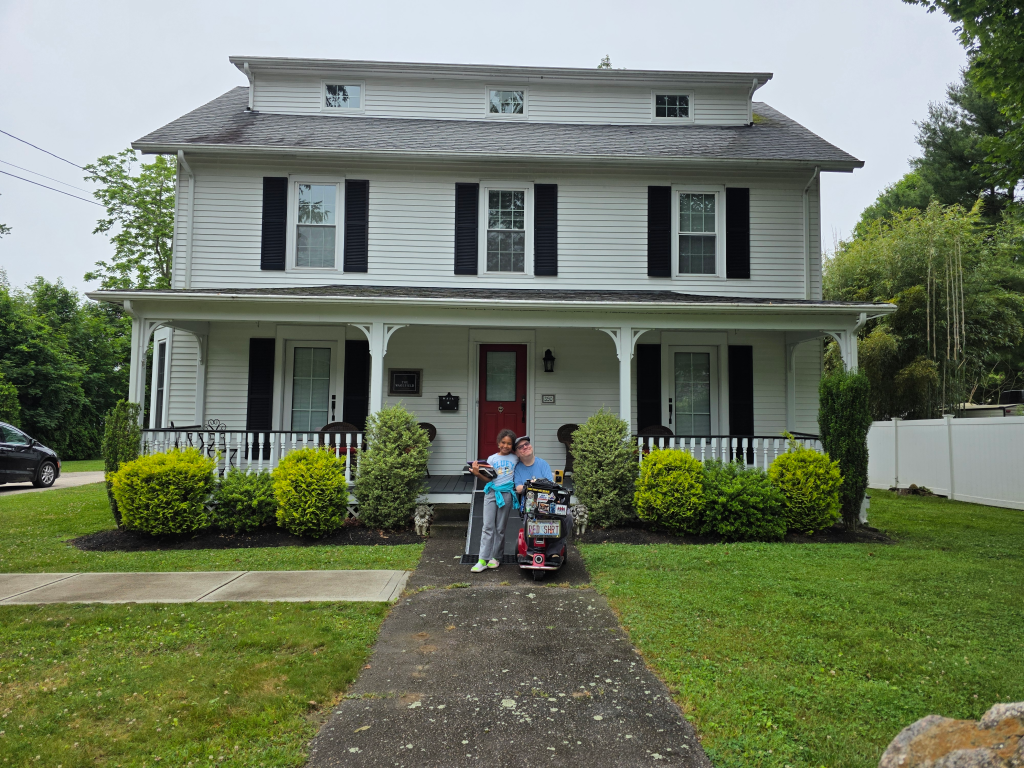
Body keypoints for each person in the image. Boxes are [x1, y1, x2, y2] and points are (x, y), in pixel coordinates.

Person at [468, 428, 518, 573]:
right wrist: (477, 474)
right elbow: (488, 478)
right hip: (491, 494)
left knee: (500, 528)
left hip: (507, 494)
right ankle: (482, 559)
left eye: (509, 443)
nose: (506, 446)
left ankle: (496, 557)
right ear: (498, 443)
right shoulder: (491, 459)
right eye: (503, 442)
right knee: (487, 527)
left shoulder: (516, 459)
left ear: (512, 445)